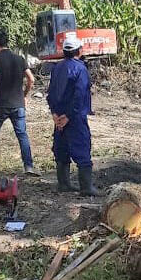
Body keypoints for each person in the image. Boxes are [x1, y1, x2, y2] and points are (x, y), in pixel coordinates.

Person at [47, 35, 98, 197]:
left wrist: (55, 114)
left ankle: (63, 183)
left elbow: (51, 93)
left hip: (59, 118)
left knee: (61, 149)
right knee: (82, 148)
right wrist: (68, 116)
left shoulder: (57, 68)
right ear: (79, 51)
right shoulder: (80, 69)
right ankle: (86, 187)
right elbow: (80, 95)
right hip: (74, 118)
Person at [0, 30, 38, 175]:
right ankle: (28, 166)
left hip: (1, 105)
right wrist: (24, 96)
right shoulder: (20, 59)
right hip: (18, 104)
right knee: (22, 135)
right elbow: (31, 79)